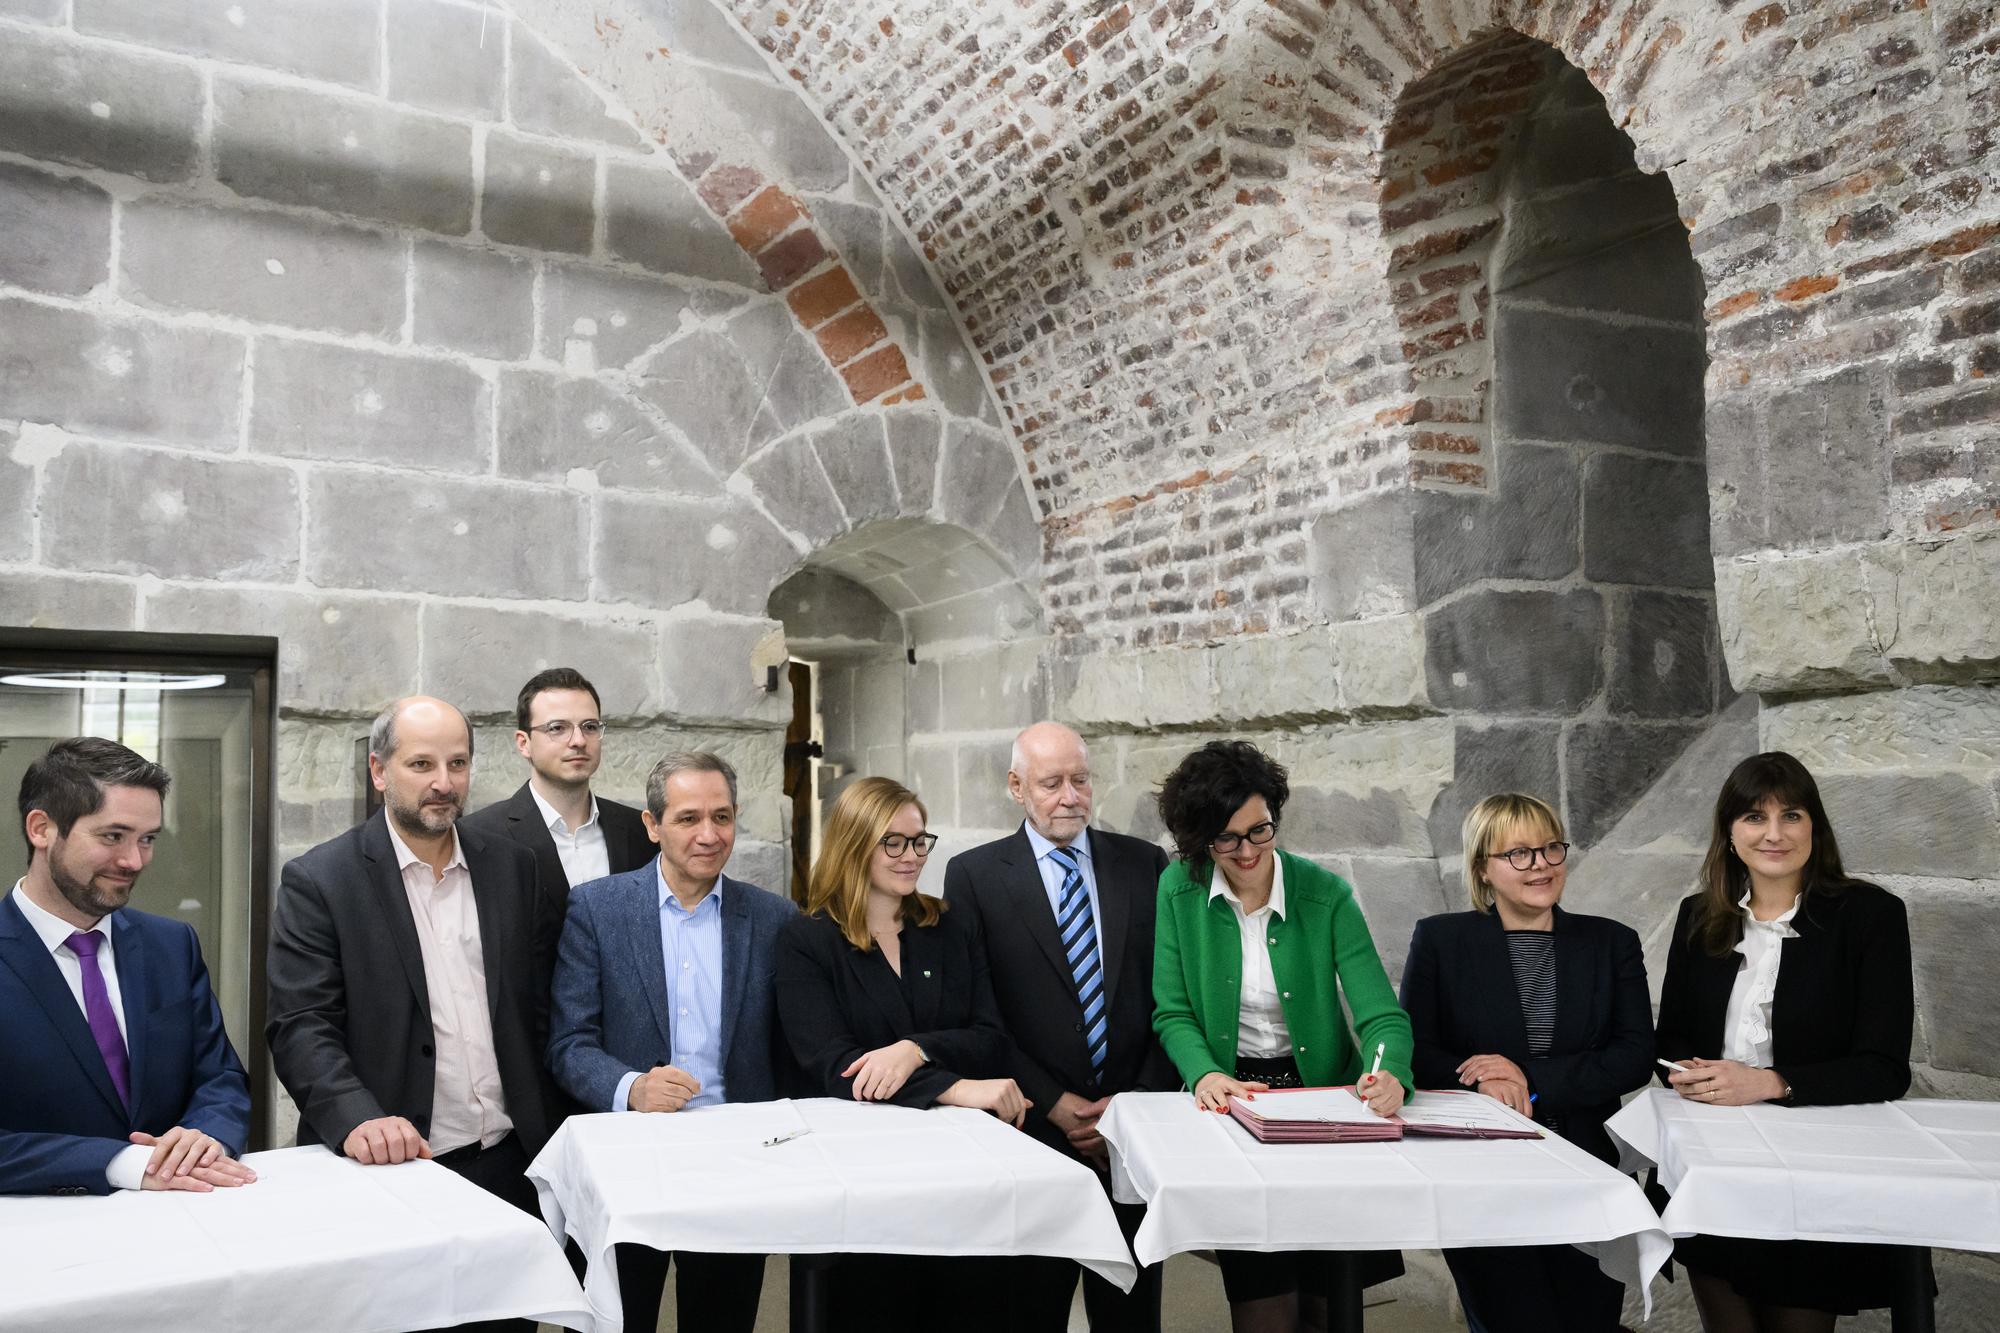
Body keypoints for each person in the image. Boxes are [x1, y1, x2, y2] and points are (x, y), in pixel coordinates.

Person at [268, 696, 563, 1333]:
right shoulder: (321, 880)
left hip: (509, 1166)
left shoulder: (514, 866)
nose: (444, 782)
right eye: (422, 764)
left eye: (458, 763)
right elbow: (301, 1026)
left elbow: (539, 1008)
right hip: (392, 1170)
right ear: (379, 771)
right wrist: (358, 1118)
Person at [1654, 751, 1921, 1333]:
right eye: (1755, 817)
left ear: (1814, 827)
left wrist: (1768, 1083)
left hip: (1818, 1167)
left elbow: (1884, 1067)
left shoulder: (1870, 915)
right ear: (1729, 833)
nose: (1773, 834)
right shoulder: (1698, 916)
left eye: (1791, 815)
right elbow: (1670, 1037)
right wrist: (1688, 1073)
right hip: (1716, 1166)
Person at [1151, 740, 1413, 1333]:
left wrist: (1390, 1071)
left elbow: (1382, 1017)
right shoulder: (1178, 890)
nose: (1247, 852)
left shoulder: (1326, 894)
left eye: (1260, 831)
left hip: (1325, 1103)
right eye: (1226, 840)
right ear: (1200, 840)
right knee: (1263, 1304)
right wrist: (1204, 1072)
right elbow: (1172, 1011)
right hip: (1236, 1103)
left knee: (1328, 1302)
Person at [546, 751, 795, 1333]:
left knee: (723, 1319)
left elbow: (791, 1051)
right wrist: (631, 1087)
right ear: (652, 825)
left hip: (736, 1166)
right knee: (621, 1318)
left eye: (722, 817)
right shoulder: (597, 909)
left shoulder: (774, 919)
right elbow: (569, 1042)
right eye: (688, 818)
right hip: (629, 1162)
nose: (709, 834)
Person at [943, 721, 1174, 1331]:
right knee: (1030, 1308)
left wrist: (1131, 1105)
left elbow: (1169, 996)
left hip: (1132, 1128)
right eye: (1051, 783)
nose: (1070, 796)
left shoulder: (1144, 864)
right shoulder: (974, 875)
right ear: (1017, 787)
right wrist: (1052, 1101)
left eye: (1081, 780)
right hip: (1032, 1128)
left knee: (1131, 1311)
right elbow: (979, 1012)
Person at [776, 776, 1028, 1332]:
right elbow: (835, 1065)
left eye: (919, 841)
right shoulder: (808, 939)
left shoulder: (950, 923)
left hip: (961, 1167)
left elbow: (990, 1035)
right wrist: (956, 1086)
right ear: (854, 843)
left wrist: (915, 1050)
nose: (911, 856)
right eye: (892, 842)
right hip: (863, 1173)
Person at [1399, 793, 1652, 1332]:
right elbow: (1415, 1051)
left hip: (1587, 1168)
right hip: (1482, 1171)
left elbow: (1634, 1056)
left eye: (1551, 848)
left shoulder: (1612, 942)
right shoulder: (1442, 939)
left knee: (1589, 1322)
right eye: (1518, 854)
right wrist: (1482, 1081)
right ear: (1482, 869)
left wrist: (1528, 1077)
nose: (1540, 865)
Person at [1, 737, 255, 1197]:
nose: (134, 861)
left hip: (181, 1215)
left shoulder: (171, 945)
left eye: (147, 839)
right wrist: (121, 1162)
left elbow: (220, 1076)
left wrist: (205, 1136)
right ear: (41, 829)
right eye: (112, 836)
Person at [460, 667, 652, 895]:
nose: (579, 741)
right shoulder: (479, 835)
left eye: (590, 727)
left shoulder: (641, 831)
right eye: (558, 728)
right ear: (524, 743)